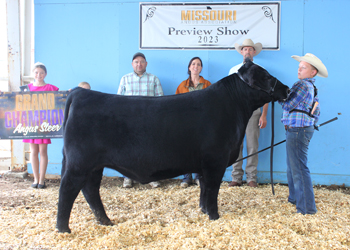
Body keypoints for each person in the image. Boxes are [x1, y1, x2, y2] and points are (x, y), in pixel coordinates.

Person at [279, 53, 328, 214]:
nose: (299, 70)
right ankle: (295, 198)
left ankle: (307, 208)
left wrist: (277, 95)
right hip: (302, 129)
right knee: (293, 167)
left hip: (297, 130)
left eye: (304, 67)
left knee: (298, 168)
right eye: (299, 67)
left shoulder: (302, 86)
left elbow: (288, 105)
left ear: (313, 72)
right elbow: (316, 111)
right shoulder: (312, 88)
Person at [117, 52, 164, 188]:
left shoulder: (153, 79)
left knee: (149, 149)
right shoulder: (125, 79)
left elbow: (160, 100)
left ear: (146, 64)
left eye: (142, 61)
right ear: (132, 64)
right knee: (128, 149)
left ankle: (150, 177)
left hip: (149, 120)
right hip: (129, 120)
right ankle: (128, 177)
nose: (139, 64)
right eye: (136, 62)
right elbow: (118, 101)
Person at [228, 39, 268, 188]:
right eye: (245, 49)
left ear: (254, 52)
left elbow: (265, 94)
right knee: (235, 145)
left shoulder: (261, 70)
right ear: (241, 52)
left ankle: (251, 178)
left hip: (253, 111)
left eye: (250, 49)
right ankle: (236, 177)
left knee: (252, 145)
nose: (248, 52)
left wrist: (263, 115)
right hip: (236, 111)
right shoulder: (233, 70)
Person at [175, 57, 211, 188]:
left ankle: (198, 177)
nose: (196, 66)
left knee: (200, 150)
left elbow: (212, 105)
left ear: (201, 68)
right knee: (185, 150)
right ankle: (186, 178)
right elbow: (176, 105)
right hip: (185, 124)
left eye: (199, 64)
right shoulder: (182, 86)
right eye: (193, 64)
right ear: (189, 67)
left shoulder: (207, 85)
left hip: (202, 124)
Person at [23, 62, 59, 189]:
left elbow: (61, 98)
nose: (39, 75)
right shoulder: (26, 88)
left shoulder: (50, 88)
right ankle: (35, 178)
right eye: (36, 72)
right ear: (33, 73)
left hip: (44, 124)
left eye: (41, 73)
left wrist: (71, 92)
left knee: (43, 151)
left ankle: (42, 179)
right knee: (33, 151)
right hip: (31, 123)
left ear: (46, 74)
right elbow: (15, 100)